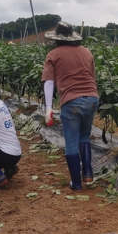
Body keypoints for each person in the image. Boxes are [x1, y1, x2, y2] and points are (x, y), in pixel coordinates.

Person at [42, 22, 99, 191]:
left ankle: (76, 183)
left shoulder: (53, 54)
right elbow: (93, 77)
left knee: (71, 140)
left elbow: (49, 82)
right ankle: (88, 174)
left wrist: (48, 108)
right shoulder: (87, 52)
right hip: (92, 98)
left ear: (57, 39)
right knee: (84, 135)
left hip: (71, 101)